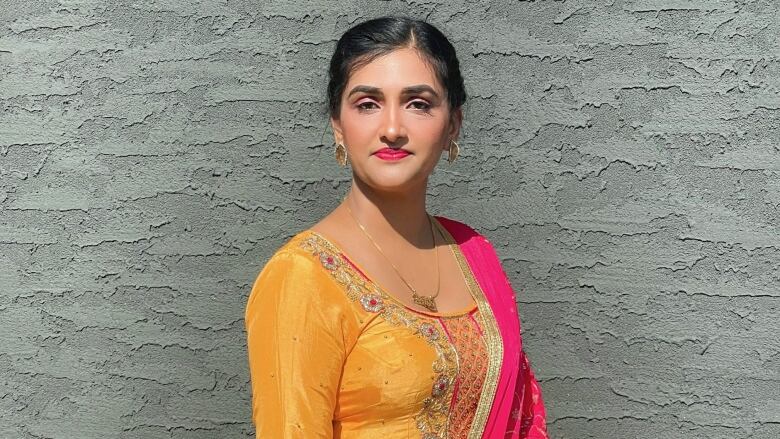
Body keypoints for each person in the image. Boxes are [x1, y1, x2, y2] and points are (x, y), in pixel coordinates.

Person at [244, 15, 549, 439]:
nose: (391, 129)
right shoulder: (301, 277)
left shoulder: (472, 253)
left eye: (418, 103)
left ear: (453, 125)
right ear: (337, 124)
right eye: (367, 103)